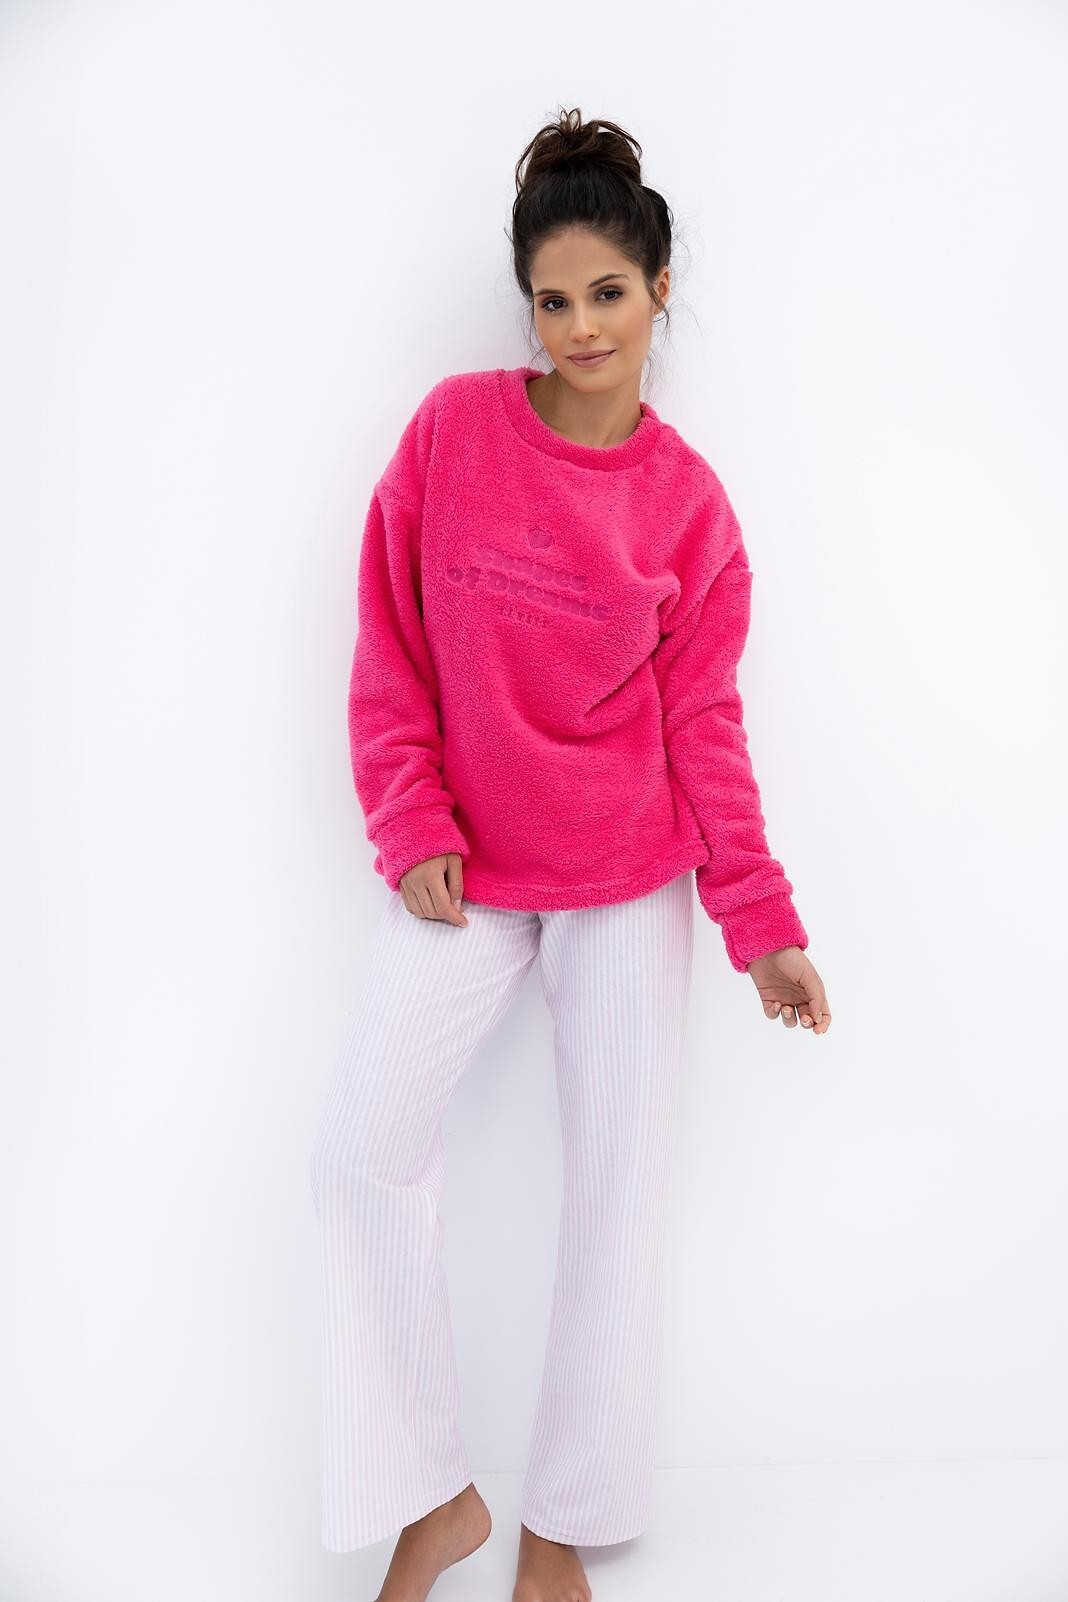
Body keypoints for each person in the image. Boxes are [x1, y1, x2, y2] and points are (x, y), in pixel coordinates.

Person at [309, 105, 832, 1602]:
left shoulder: (690, 508)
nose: (583, 326)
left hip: (623, 873)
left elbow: (705, 728)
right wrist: (412, 821)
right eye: (554, 299)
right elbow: (391, 645)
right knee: (359, 1150)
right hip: (464, 871)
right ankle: (429, 1498)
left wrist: (761, 922)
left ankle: (562, 1527)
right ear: (526, 307)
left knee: (617, 1190)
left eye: (610, 292)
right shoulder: (454, 433)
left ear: (661, 290)